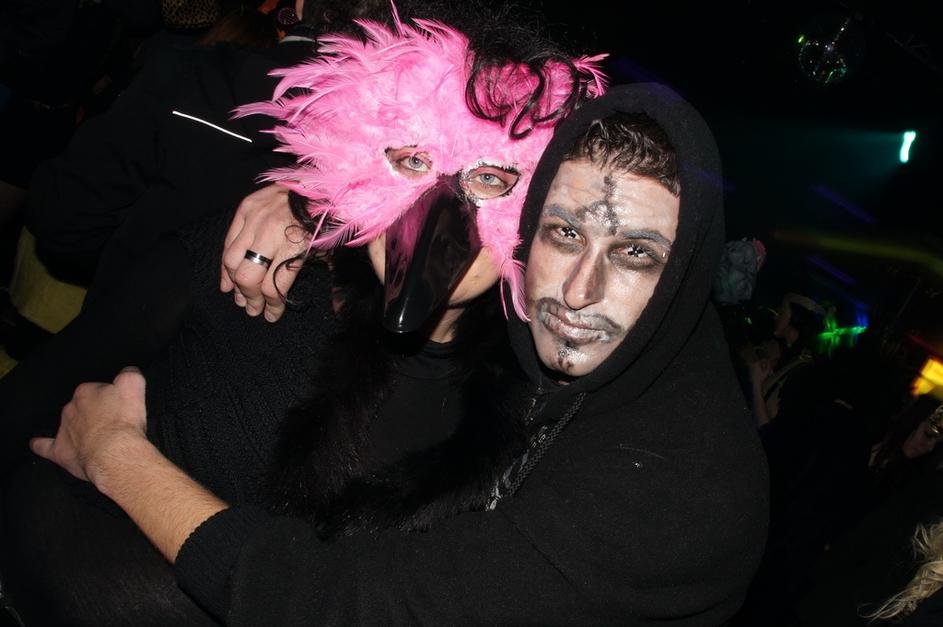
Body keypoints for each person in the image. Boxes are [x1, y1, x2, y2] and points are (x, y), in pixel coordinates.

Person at [30, 83, 768, 624]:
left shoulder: (680, 483)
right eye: (566, 233)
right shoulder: (252, 270)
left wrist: (116, 455)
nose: (579, 290)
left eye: (636, 253)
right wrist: (304, 197)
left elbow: (352, 607)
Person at [1, 9, 604, 625]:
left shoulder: (534, 414)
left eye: (491, 179)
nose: (433, 218)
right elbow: (26, 405)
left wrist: (118, 459)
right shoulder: (243, 262)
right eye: (411, 162)